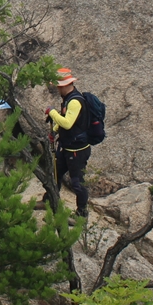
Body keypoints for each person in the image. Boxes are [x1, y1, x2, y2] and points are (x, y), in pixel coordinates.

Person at [45, 67, 90, 218]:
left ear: (64, 85)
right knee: (55, 174)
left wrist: (52, 112)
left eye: (58, 86)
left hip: (77, 150)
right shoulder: (68, 99)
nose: (57, 89)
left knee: (77, 182)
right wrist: (54, 131)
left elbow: (68, 123)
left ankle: (81, 213)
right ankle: (48, 201)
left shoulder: (75, 101)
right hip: (66, 147)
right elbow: (65, 121)